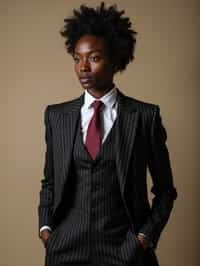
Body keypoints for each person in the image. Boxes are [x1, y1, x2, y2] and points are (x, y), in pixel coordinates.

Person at [38, 2, 177, 266]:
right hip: (66, 249)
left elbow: (165, 190)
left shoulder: (145, 117)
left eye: (94, 58)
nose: (83, 67)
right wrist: (46, 230)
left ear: (116, 59)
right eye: (77, 58)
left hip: (124, 251)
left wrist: (143, 238)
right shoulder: (57, 116)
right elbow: (50, 183)